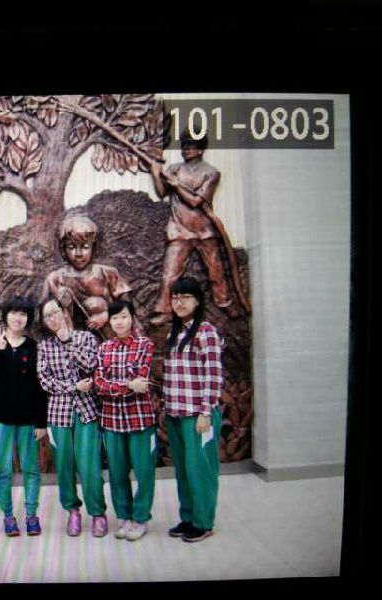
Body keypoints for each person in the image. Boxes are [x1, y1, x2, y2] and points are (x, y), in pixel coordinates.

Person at [0, 296, 47, 536]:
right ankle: (8, 516)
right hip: (0, 418)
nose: (18, 318)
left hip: (28, 420)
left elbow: (40, 387)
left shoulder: (33, 347)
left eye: (23, 314)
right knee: (3, 470)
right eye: (14, 313)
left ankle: (31, 515)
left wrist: (41, 422)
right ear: (5, 316)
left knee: (31, 469)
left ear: (28, 319)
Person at [149, 132, 238, 326]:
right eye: (184, 145)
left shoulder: (211, 173)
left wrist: (177, 185)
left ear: (200, 149)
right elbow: (162, 192)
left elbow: (196, 201)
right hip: (179, 230)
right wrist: (155, 173)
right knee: (169, 274)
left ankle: (224, 302)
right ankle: (165, 309)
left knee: (216, 271)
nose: (187, 149)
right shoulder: (174, 169)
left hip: (204, 230)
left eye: (191, 145)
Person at [37, 296, 108, 537]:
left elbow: (91, 366)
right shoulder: (44, 346)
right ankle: (73, 511)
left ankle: (97, 513)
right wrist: (73, 387)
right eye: (47, 316)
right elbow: (45, 381)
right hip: (59, 413)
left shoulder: (85, 338)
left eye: (55, 312)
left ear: (64, 312)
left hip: (86, 411)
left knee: (89, 465)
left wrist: (69, 343)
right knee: (64, 466)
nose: (52, 318)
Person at [161, 277, 224, 542]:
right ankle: (188, 518)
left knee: (200, 470)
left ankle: (203, 522)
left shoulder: (206, 332)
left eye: (185, 297)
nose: (179, 303)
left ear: (197, 301)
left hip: (198, 416)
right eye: (175, 298)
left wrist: (206, 412)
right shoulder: (174, 334)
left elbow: (214, 374)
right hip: (176, 414)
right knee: (184, 471)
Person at [93, 300, 157, 542]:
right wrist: (129, 385)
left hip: (140, 419)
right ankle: (124, 518)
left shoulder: (145, 345)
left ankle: (141, 518)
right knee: (117, 473)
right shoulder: (104, 348)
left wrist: (118, 386)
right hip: (111, 421)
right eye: (115, 317)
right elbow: (99, 384)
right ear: (109, 321)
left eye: (123, 316)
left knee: (144, 472)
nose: (119, 322)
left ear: (132, 318)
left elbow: (143, 381)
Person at [41, 214, 131, 337]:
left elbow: (129, 308)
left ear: (94, 248)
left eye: (85, 247)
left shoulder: (109, 273)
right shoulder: (54, 279)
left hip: (109, 337)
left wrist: (106, 315)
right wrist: (62, 307)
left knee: (96, 304)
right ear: (63, 250)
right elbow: (40, 319)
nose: (78, 254)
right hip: (70, 339)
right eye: (71, 247)